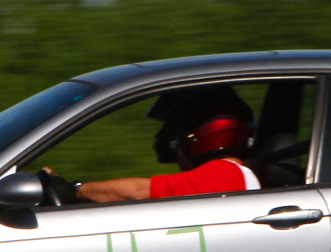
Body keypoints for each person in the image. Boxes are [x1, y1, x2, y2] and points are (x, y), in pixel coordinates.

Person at [63, 85, 260, 203]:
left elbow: (138, 192)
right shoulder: (228, 178)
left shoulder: (226, 174)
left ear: (199, 134)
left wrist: (73, 190)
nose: (176, 149)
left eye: (179, 135)